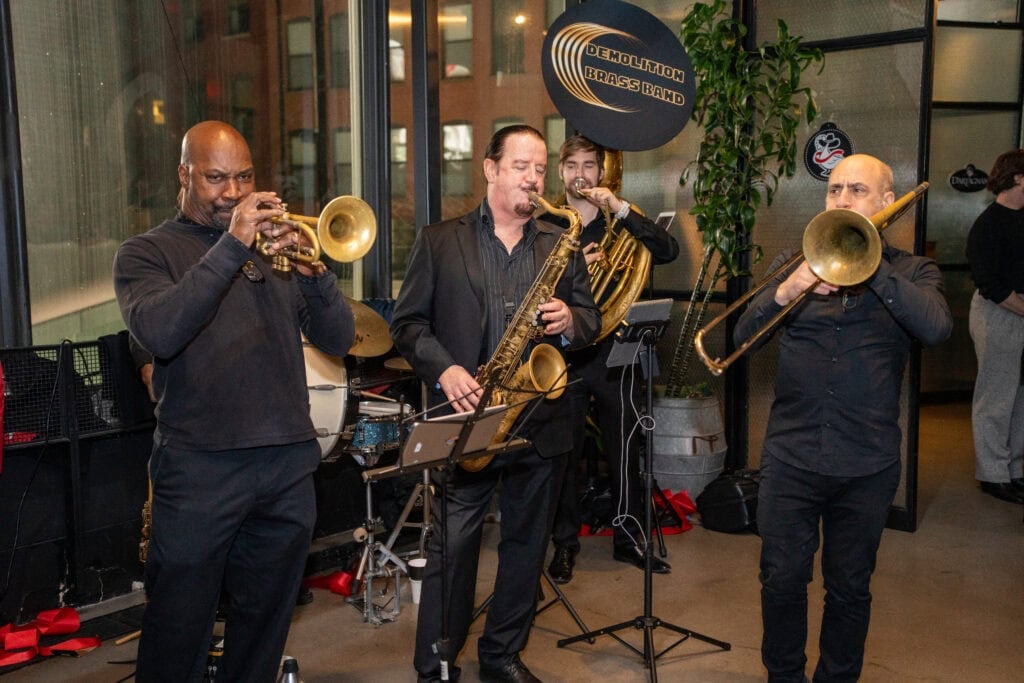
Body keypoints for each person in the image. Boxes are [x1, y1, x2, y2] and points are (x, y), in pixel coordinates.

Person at [112, 120, 354, 682]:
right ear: (185, 175)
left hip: (286, 465)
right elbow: (162, 330)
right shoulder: (146, 253)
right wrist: (233, 244)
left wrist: (315, 273)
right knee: (177, 628)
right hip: (200, 469)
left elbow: (339, 339)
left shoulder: (274, 252)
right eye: (216, 178)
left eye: (243, 177)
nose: (233, 192)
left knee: (264, 627)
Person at [391, 124, 600, 683]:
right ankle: (437, 663)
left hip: (539, 418)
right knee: (453, 548)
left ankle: (502, 655)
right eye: (520, 167)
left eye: (540, 169)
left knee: (527, 548)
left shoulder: (559, 240)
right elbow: (407, 324)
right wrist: (446, 370)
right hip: (469, 419)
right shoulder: (440, 240)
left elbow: (590, 319)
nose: (533, 179)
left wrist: (571, 320)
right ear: (490, 168)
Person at [733, 154, 952, 682]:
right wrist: (787, 291)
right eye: (834, 190)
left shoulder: (914, 272)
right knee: (781, 580)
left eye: (857, 190)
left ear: (887, 202)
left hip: (866, 463)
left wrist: (870, 264)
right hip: (792, 456)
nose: (842, 199)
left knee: (850, 587)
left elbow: (937, 329)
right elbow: (741, 340)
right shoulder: (796, 264)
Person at [542, 135, 679, 583]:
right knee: (564, 455)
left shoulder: (617, 222)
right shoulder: (546, 223)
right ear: (561, 172)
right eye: (572, 166)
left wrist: (619, 207)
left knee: (625, 449)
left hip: (613, 353)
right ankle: (565, 544)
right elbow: (528, 288)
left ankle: (629, 539)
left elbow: (668, 250)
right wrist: (574, 269)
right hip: (563, 355)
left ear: (601, 173)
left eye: (589, 165)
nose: (580, 174)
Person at [966, 149, 1024, 505]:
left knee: (1020, 397)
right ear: (1018, 177)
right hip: (999, 313)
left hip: (1018, 309)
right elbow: (992, 285)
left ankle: (1014, 470)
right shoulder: (988, 224)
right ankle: (993, 475)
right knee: (996, 395)